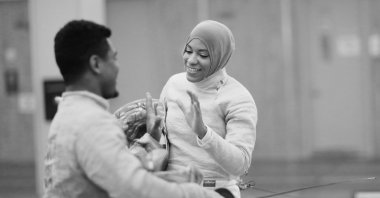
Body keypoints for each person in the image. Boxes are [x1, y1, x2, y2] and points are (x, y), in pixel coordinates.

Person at [43, 19, 226, 198]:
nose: (117, 66)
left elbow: (110, 175)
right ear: (96, 64)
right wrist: (199, 194)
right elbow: (135, 189)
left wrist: (151, 137)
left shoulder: (69, 114)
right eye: (114, 58)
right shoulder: (92, 122)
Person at [159, 20, 258, 198]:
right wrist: (151, 129)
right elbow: (161, 143)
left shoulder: (237, 98)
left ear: (219, 56)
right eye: (188, 51)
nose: (191, 60)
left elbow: (240, 164)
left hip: (214, 192)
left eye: (203, 55)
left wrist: (203, 132)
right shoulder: (174, 84)